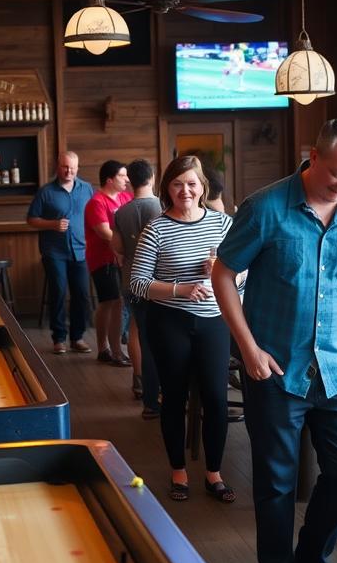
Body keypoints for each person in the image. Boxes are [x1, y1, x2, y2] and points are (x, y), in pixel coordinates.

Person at [212, 119, 337, 563]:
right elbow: (222, 273)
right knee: (276, 482)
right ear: (312, 157)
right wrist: (246, 348)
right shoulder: (266, 207)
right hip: (274, 368)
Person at [130, 156, 236, 504]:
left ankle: (214, 473)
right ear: (167, 189)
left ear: (203, 187)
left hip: (214, 322)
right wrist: (180, 289)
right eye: (178, 184)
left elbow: (249, 274)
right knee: (173, 399)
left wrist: (221, 269)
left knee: (216, 401)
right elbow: (138, 284)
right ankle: (178, 471)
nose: (185, 191)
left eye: (192, 183)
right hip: (170, 322)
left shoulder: (224, 224)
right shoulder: (156, 228)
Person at [26, 151, 94, 354]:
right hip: (54, 252)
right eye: (65, 167)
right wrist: (52, 224)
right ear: (58, 167)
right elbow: (31, 219)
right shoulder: (46, 192)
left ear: (77, 168)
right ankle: (59, 338)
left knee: (82, 295)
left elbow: (93, 215)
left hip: (81, 250)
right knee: (58, 292)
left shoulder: (87, 189)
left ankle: (78, 337)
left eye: (73, 168)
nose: (69, 171)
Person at [112, 159, 163, 418]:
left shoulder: (121, 212)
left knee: (138, 330)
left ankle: (140, 380)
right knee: (160, 338)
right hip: (160, 282)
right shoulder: (162, 207)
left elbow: (118, 248)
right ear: (152, 177)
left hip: (132, 280)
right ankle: (162, 392)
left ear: (130, 181)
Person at [86, 159, 133, 365]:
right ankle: (113, 352)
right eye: (122, 176)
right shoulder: (96, 202)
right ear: (109, 179)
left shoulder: (126, 197)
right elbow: (104, 232)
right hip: (103, 260)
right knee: (112, 302)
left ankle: (105, 349)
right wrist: (127, 242)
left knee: (112, 303)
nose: (127, 180)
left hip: (121, 259)